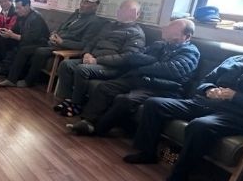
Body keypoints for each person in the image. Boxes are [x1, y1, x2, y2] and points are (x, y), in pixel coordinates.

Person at [123, 26, 243, 181]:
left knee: (200, 125)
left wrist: (236, 96)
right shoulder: (237, 60)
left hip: (238, 115)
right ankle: (147, 153)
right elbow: (207, 80)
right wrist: (208, 89)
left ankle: (180, 174)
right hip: (206, 102)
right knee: (154, 104)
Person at [68, 19, 199, 136]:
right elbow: (134, 56)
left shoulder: (190, 52)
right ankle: (87, 121)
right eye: (169, 27)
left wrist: (145, 66)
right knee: (106, 87)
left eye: (173, 30)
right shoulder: (160, 44)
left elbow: (171, 70)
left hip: (163, 87)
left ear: (187, 36)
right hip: (142, 78)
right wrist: (153, 62)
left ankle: (97, 129)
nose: (167, 31)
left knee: (126, 99)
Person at [54, 0, 145, 116]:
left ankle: (77, 104)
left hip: (111, 67)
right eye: (121, 8)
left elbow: (126, 58)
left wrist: (96, 60)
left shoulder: (136, 34)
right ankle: (68, 99)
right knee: (66, 65)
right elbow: (92, 41)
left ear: (136, 14)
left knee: (82, 69)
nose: (120, 11)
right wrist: (87, 53)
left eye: (125, 10)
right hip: (93, 59)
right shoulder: (109, 25)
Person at [20, 0, 106, 87]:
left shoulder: (94, 22)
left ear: (95, 6)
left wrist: (62, 42)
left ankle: (29, 81)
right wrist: (54, 34)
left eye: (86, 3)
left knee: (40, 51)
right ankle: (20, 75)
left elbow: (84, 44)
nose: (82, 4)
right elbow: (62, 26)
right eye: (82, 1)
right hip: (55, 42)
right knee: (27, 46)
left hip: (65, 47)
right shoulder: (76, 14)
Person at [0, 0, 50, 86]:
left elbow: (31, 38)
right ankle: (2, 67)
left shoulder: (36, 18)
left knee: (23, 49)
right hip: (26, 40)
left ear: (27, 6)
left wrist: (13, 35)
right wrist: (8, 33)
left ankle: (11, 79)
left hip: (40, 43)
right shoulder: (21, 16)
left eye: (19, 8)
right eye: (16, 8)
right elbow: (15, 29)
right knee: (4, 39)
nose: (16, 11)